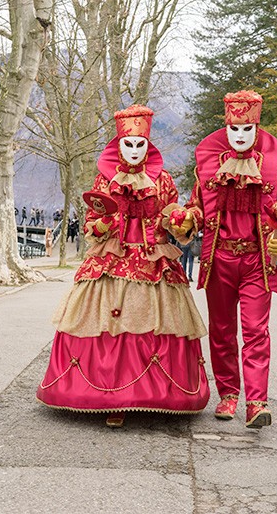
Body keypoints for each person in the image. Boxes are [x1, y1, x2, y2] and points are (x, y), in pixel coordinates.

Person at [36, 104, 209, 427]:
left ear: (148, 144)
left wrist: (180, 221)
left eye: (139, 144)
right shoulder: (105, 180)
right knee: (105, 323)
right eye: (127, 144)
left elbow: (173, 219)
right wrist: (101, 224)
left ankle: (154, 395)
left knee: (154, 323)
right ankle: (110, 398)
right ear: (118, 145)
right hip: (111, 260)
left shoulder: (163, 181)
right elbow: (93, 220)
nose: (133, 150)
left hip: (154, 261)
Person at [165, 90, 277, 429]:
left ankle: (256, 401)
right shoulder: (209, 167)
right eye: (234, 129)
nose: (240, 136)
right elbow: (197, 206)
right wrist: (187, 219)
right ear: (226, 128)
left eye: (247, 130)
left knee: (256, 330)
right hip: (218, 258)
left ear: (257, 129)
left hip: (256, 262)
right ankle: (228, 394)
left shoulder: (273, 168)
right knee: (222, 331)